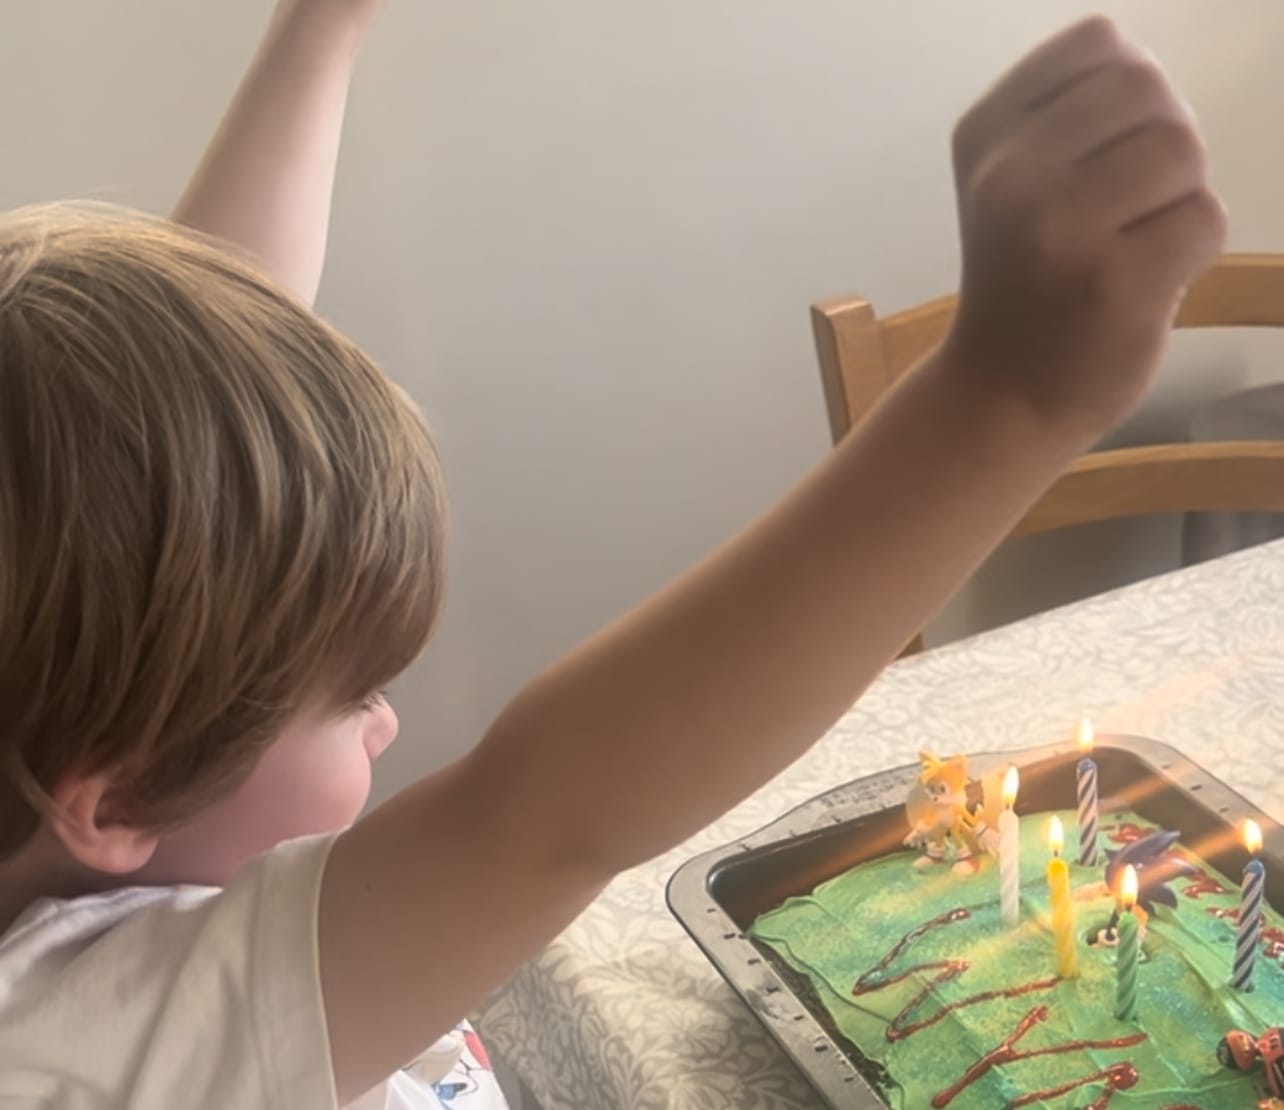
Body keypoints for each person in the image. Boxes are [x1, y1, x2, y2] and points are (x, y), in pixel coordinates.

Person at [0, 2, 1226, 1107]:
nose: (386, 725)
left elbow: (171, 440)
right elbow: (545, 814)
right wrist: (1006, 400)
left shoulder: (67, 728)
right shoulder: (82, 1048)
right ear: (114, 794)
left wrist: (328, 23)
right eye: (351, 697)